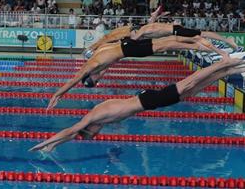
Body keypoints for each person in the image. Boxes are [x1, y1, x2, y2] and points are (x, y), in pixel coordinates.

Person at [29, 55, 245, 152]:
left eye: (93, 134)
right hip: (145, 99)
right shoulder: (99, 119)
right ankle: (230, 70)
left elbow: (71, 130)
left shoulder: (93, 117)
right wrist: (56, 146)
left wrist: (45, 143)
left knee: (189, 83)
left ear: (90, 128)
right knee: (189, 92)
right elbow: (72, 135)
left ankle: (224, 62)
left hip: (146, 100)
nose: (97, 134)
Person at [46, 35, 226, 110]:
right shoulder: (98, 58)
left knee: (168, 44)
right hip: (127, 44)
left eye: (95, 81)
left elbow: (73, 80)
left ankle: (204, 46)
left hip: (130, 50)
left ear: (90, 76)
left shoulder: (90, 66)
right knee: (168, 41)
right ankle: (202, 45)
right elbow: (109, 40)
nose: (99, 79)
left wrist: (57, 94)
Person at [85, 7, 238, 56]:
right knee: (199, 37)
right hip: (175, 31)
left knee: (201, 35)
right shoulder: (145, 28)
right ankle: (223, 46)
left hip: (176, 31)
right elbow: (152, 18)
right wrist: (158, 13)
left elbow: (132, 41)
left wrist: (107, 45)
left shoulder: (141, 31)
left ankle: (224, 47)